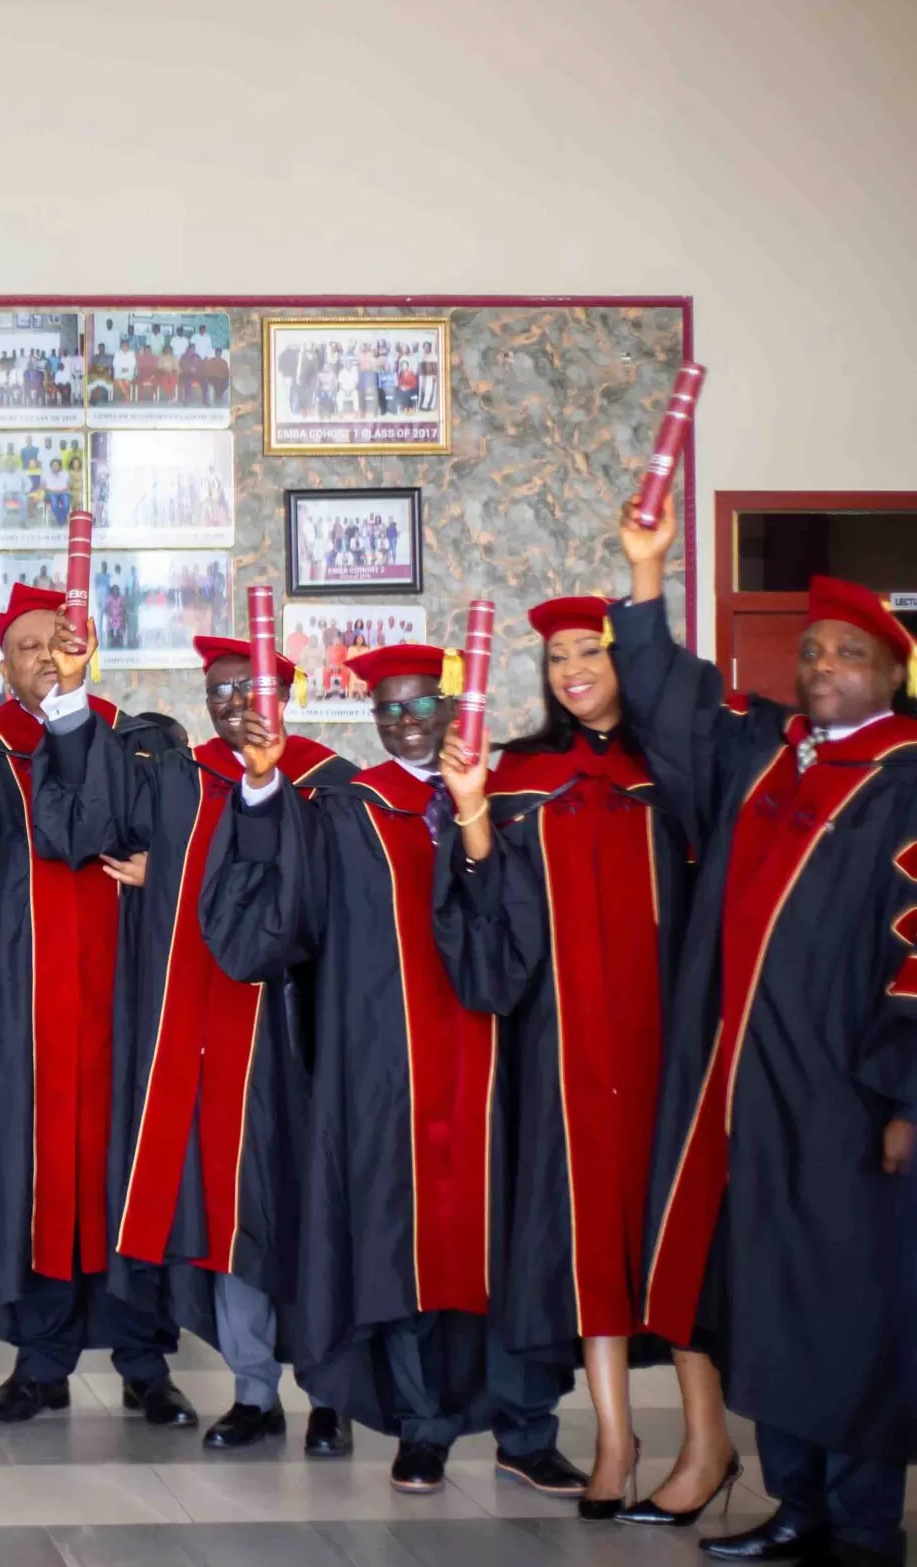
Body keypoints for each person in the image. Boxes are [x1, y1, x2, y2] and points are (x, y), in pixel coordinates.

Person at [202, 643, 583, 1501]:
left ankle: (528, 1432)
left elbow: (529, 925)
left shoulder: (503, 799)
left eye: (419, 706)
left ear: (448, 708)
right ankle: (423, 1429)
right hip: (384, 1068)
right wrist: (260, 788)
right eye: (388, 709)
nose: (405, 723)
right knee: (400, 1244)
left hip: (499, 1064)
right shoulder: (347, 808)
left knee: (508, 1242)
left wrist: (475, 819)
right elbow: (282, 910)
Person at [616, 508, 916, 1567]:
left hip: (847, 1093)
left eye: (848, 653)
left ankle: (863, 1521)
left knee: (851, 1302)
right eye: (812, 650)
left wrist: (906, 1095)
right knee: (769, 1294)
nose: (822, 666)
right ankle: (796, 1503)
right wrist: (646, 574)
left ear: (892, 674)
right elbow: (672, 704)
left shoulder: (905, 782)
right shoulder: (767, 755)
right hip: (744, 1083)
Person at [432, 596, 737, 1523]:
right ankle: (613, 1439)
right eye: (557, 655)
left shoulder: (673, 768)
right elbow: (494, 925)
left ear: (622, 662)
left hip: (667, 1050)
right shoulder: (520, 776)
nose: (571, 668)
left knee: (676, 1235)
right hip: (561, 1051)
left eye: (588, 652)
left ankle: (709, 1438)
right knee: (585, 1239)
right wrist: (474, 815)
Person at [37, 625, 360, 1453]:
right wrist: (70, 694)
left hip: (292, 1037)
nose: (231, 702)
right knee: (227, 1214)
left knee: (308, 1214)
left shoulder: (331, 783)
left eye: (247, 687)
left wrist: (187, 867)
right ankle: (254, 1391)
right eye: (217, 689)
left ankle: (334, 1394)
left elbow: (326, 901)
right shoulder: (181, 777)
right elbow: (96, 817)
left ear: (283, 695)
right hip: (196, 1034)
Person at [0, 585, 195, 1433]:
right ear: (3, 666)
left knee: (125, 1174)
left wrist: (165, 868)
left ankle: (146, 1364)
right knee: (32, 1180)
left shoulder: (139, 742)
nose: (46, 657)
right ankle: (40, 1365)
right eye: (27, 647)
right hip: (17, 1012)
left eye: (61, 641)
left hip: (123, 1004)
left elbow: (182, 846)